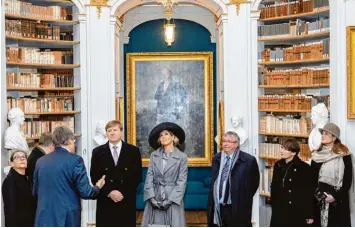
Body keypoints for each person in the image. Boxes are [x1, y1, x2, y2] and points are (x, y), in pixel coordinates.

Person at [33, 126, 106, 227]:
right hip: (67, 219)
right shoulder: (76, 160)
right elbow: (85, 192)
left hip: (44, 217)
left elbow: (35, 190)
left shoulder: (40, 161)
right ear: (70, 141)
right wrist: (98, 187)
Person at [90, 120, 142, 227]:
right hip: (105, 200)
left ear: (121, 132)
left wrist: (121, 193)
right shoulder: (97, 152)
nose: (112, 133)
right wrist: (109, 192)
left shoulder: (133, 151)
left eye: (115, 130)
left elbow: (137, 176)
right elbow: (94, 176)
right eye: (109, 131)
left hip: (126, 200)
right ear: (106, 133)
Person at [208, 131, 260, 227]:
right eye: (223, 141)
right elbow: (214, 181)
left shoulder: (248, 160)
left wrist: (242, 197)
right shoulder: (216, 158)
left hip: (238, 206)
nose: (225, 144)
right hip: (218, 206)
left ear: (236, 144)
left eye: (229, 141)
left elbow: (254, 183)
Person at [141, 122, 188, 227]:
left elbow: (182, 182)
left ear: (173, 137)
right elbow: (149, 177)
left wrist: (170, 200)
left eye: (166, 134)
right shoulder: (154, 155)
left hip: (172, 198)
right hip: (155, 196)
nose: (163, 137)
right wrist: (151, 197)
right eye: (161, 135)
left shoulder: (182, 157)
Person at [310, 123, 355, 227]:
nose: (322, 136)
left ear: (334, 137)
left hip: (338, 200)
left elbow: (348, 179)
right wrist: (319, 195)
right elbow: (312, 179)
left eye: (326, 133)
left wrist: (335, 197)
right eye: (322, 133)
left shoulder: (344, 154)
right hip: (319, 199)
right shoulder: (317, 154)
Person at [270, 138, 314, 227]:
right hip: (279, 210)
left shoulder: (304, 168)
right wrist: (274, 204)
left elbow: (308, 192)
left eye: (286, 149)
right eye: (282, 147)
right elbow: (274, 187)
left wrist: (309, 214)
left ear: (293, 153)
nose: (282, 151)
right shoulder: (278, 165)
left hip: (296, 210)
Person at [2, 150, 36, 227]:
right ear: (11, 163)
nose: (22, 159)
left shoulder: (26, 178)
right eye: (17, 157)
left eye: (23, 157)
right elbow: (10, 209)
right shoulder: (10, 181)